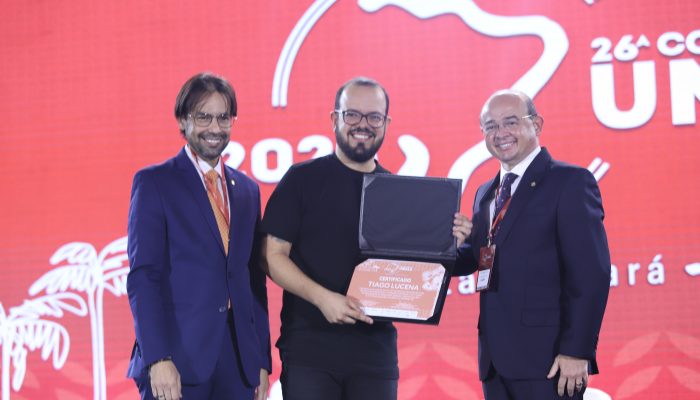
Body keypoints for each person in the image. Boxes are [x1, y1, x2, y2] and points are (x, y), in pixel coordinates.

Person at [261, 76, 471, 400]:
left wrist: (448, 243)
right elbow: (270, 255)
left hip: (375, 357)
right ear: (334, 119)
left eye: (374, 117)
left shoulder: (398, 193)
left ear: (386, 123)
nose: (363, 124)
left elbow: (420, 274)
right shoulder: (302, 179)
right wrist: (323, 298)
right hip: (309, 353)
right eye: (352, 114)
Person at [453, 89, 611, 399]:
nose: (500, 133)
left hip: (550, 361)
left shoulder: (570, 182)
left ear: (536, 125)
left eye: (511, 122)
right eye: (490, 126)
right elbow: (478, 258)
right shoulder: (486, 193)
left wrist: (577, 351)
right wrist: (434, 247)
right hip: (495, 362)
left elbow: (592, 273)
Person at [126, 72, 271, 400]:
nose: (215, 128)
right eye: (204, 117)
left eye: (223, 118)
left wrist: (260, 360)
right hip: (177, 357)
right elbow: (144, 277)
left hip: (238, 362)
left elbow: (253, 281)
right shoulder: (155, 183)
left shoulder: (247, 191)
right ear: (183, 120)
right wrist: (157, 358)